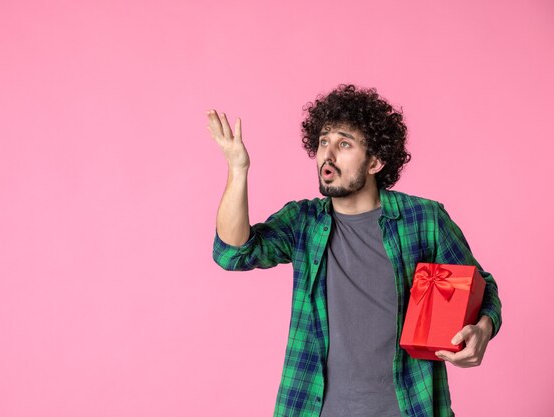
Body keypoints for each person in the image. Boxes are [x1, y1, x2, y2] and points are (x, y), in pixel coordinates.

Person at [207, 84, 502, 417]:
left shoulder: (423, 219)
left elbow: (482, 287)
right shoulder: (304, 222)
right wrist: (238, 170)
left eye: (344, 144)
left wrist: (483, 329)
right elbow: (233, 254)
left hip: (410, 407)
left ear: (375, 161)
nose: (327, 156)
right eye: (323, 142)